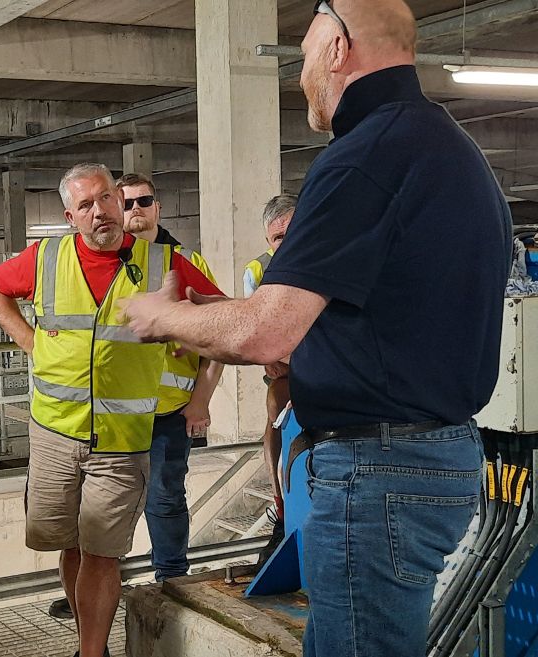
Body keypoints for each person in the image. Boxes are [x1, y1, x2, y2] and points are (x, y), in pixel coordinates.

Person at [121, 2, 512, 655]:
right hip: (431, 456)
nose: (299, 75)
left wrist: (166, 316)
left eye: (302, 57)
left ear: (337, 48)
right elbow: (383, 314)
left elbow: (266, 334)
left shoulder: (363, 156)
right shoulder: (447, 148)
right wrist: (218, 310)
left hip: (378, 469)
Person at [0, 163, 221, 657]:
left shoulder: (164, 263)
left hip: (120, 439)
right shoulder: (45, 258)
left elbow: (220, 314)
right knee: (68, 544)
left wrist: (187, 334)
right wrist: (29, 341)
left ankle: (92, 651)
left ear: (119, 200)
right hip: (54, 433)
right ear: (71, 216)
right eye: (86, 205)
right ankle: (88, 643)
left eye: (107, 199)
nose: (100, 211)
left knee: (101, 552)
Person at [117, 172, 225, 581]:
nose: (135, 211)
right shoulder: (112, 266)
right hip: (116, 412)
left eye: (142, 201)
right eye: (125, 204)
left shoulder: (187, 265)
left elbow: (217, 336)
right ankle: (99, 582)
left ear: (157, 207)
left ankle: (172, 578)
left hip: (168, 412)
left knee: (164, 497)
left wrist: (201, 401)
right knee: (109, 500)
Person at [243, 194, 296, 557]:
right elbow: (257, 332)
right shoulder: (258, 271)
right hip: (286, 366)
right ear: (268, 241)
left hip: (322, 366)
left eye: (293, 232)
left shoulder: (327, 259)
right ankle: (281, 504)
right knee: (276, 411)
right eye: (278, 238)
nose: (286, 243)